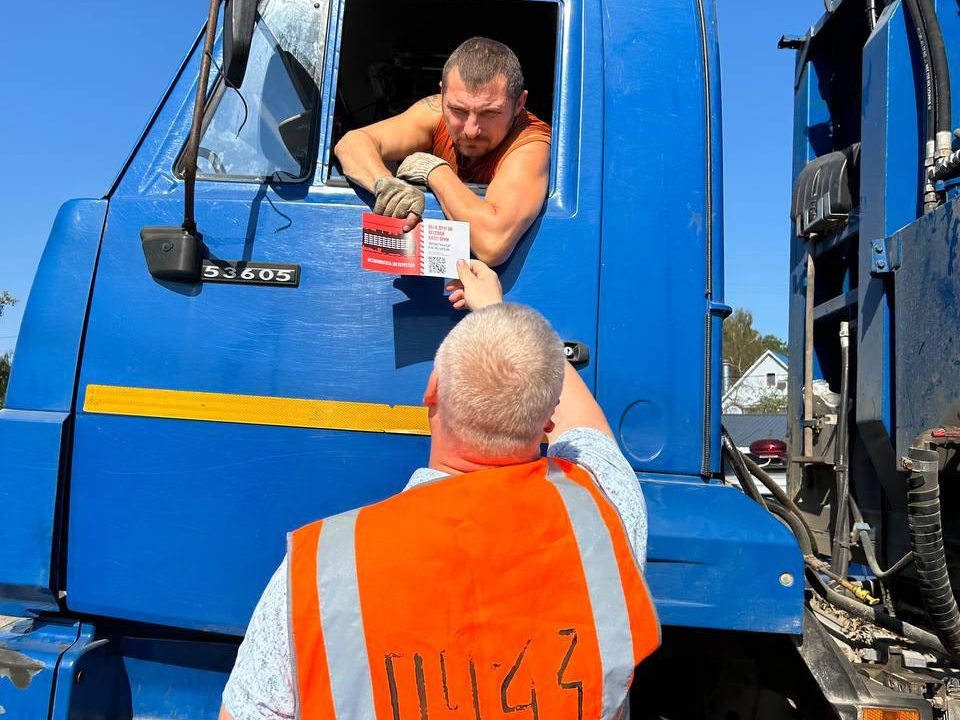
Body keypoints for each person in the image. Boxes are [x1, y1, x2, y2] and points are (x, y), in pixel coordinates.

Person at [219, 260, 658, 720]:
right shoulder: (607, 513)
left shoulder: (318, 572)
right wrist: (495, 310)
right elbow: (586, 426)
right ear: (546, 421)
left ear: (432, 390)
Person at [334, 37, 551, 266]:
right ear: (442, 94)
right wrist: (386, 185)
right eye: (458, 110)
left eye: (489, 113)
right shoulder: (434, 110)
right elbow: (351, 144)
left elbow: (492, 244)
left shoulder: (531, 142)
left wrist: (433, 171)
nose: (471, 130)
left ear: (519, 103)